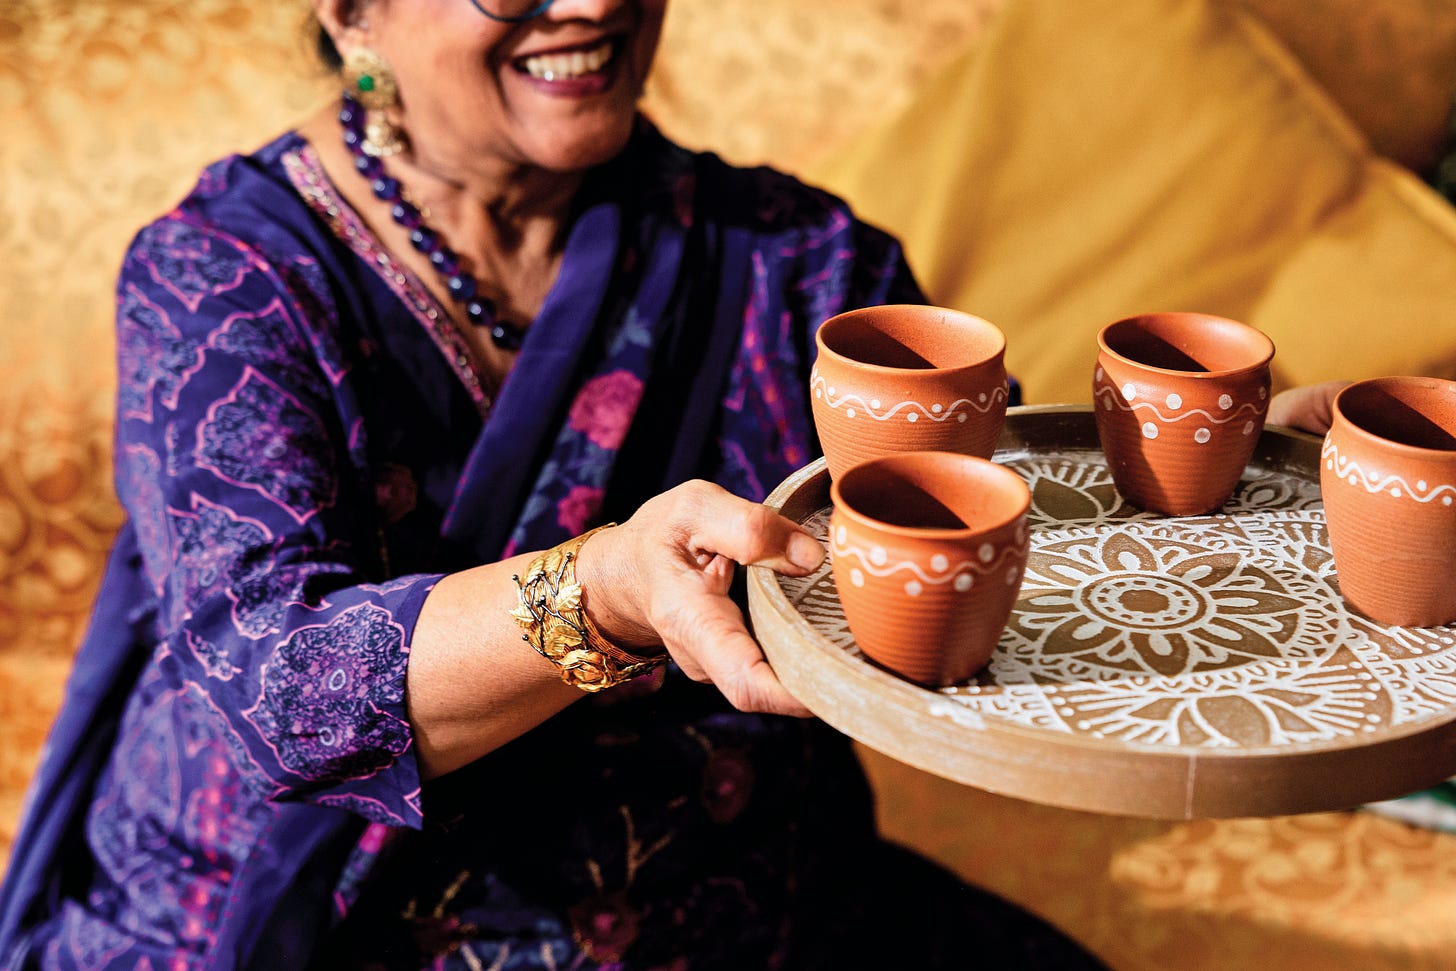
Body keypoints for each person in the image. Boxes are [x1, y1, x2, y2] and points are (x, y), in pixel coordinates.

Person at [0, 0, 1114, 968]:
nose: (590, 4)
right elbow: (277, 692)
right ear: (353, 15)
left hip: (751, 913)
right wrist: (606, 588)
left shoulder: (791, 257)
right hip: (335, 915)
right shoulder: (224, 281)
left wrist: (1209, 468)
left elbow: (984, 522)